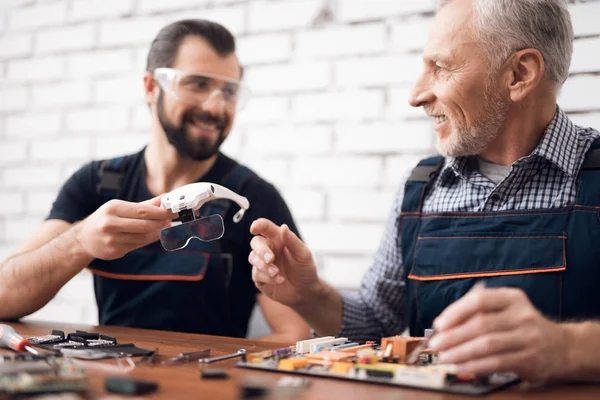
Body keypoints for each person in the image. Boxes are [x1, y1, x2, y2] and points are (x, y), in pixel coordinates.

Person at [248, 0, 600, 382]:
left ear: (519, 73)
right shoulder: (420, 189)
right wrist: (309, 294)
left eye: (441, 68)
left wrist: (565, 347)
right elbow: (376, 323)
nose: (416, 95)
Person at [0, 19, 309, 342]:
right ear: (151, 87)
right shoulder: (96, 184)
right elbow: (4, 296)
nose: (215, 106)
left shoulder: (252, 199)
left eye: (229, 91)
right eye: (198, 84)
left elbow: (294, 335)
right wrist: (79, 242)